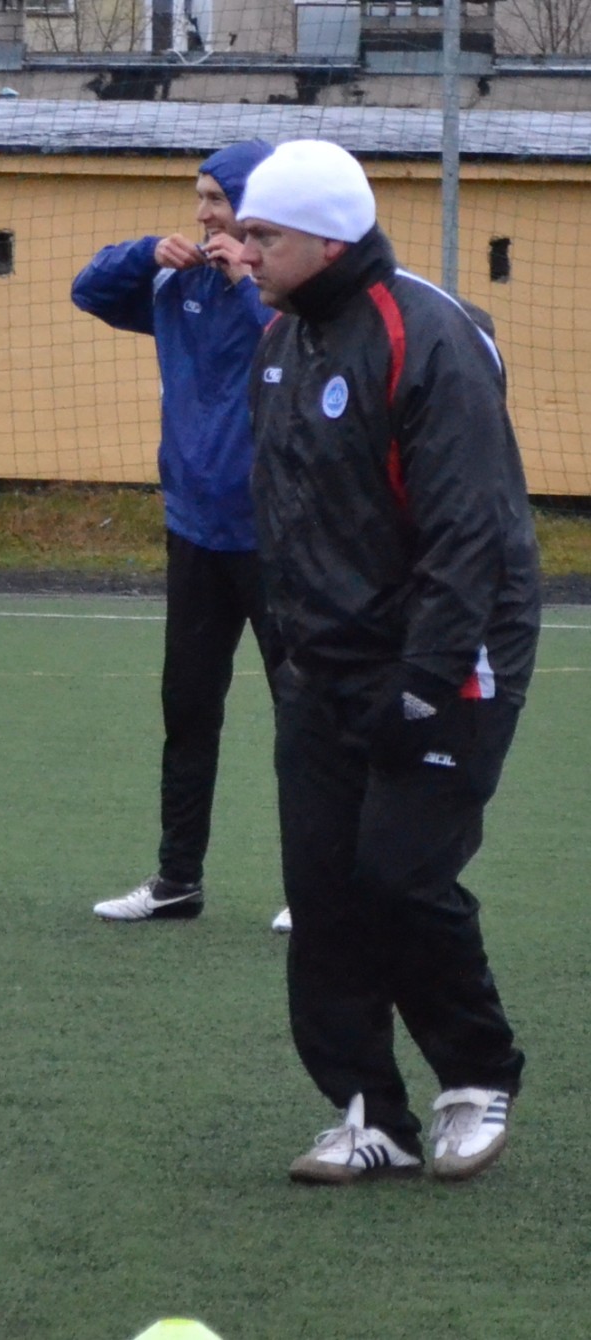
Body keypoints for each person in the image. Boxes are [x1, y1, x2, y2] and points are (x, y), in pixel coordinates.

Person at [235, 140, 540, 1182]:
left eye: (262, 233)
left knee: (401, 877)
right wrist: (293, 653)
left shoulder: (427, 335)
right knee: (323, 892)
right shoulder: (279, 343)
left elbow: (471, 535)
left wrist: (421, 681)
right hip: (324, 665)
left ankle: (477, 1075)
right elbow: (286, 514)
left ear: (327, 238)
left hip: (450, 653)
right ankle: (371, 1112)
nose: (241, 249)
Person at [71, 141, 291, 930]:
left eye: (215, 200)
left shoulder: (285, 294)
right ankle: (176, 881)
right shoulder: (176, 281)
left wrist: (244, 281)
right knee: (188, 710)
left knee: (305, 717)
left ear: (253, 209)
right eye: (198, 199)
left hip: (278, 539)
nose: (201, 214)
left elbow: (295, 345)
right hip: (195, 533)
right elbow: (89, 289)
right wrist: (144, 252)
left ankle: (318, 891)